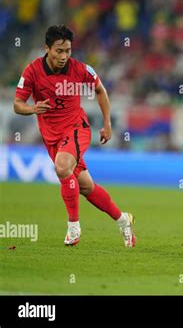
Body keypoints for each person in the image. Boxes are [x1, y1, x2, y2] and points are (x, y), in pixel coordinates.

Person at [13, 25, 136, 247]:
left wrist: (107, 123)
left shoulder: (80, 69)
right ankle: (123, 220)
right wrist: (33, 108)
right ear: (47, 49)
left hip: (76, 129)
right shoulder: (32, 71)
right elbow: (17, 104)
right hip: (51, 136)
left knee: (61, 167)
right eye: (59, 51)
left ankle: (73, 227)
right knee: (86, 187)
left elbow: (100, 90)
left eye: (68, 51)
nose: (64, 56)